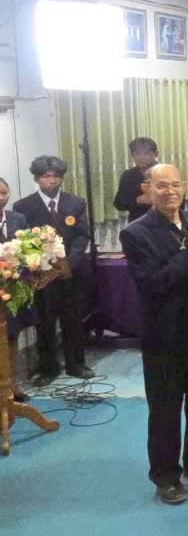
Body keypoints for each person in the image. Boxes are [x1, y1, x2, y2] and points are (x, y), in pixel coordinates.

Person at [119, 164, 188, 505]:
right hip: (163, 335)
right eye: (162, 186)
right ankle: (166, 477)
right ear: (148, 189)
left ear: (184, 186)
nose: (170, 191)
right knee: (165, 409)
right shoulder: (135, 233)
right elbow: (153, 284)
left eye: (176, 185)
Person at [13, 155, 92, 386]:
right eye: (47, 176)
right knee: (44, 322)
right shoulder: (23, 206)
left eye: (57, 176)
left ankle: (76, 364)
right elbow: (23, 241)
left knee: (72, 319)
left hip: (70, 273)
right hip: (41, 274)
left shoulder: (75, 203)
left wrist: (69, 263)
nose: (52, 180)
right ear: (36, 179)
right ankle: (48, 367)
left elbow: (82, 236)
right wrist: (42, 265)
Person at [0, 179, 33, 401]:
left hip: (13, 289)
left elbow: (29, 251)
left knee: (11, 337)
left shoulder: (18, 219)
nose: (1, 197)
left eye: (4, 192)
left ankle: (12, 385)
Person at [113, 136, 159, 223]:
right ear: (132, 156)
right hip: (137, 223)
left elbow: (180, 202)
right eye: (137, 154)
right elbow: (119, 203)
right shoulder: (128, 175)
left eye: (146, 153)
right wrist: (139, 200)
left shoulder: (168, 172)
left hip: (164, 223)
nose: (141, 157)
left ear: (156, 154)